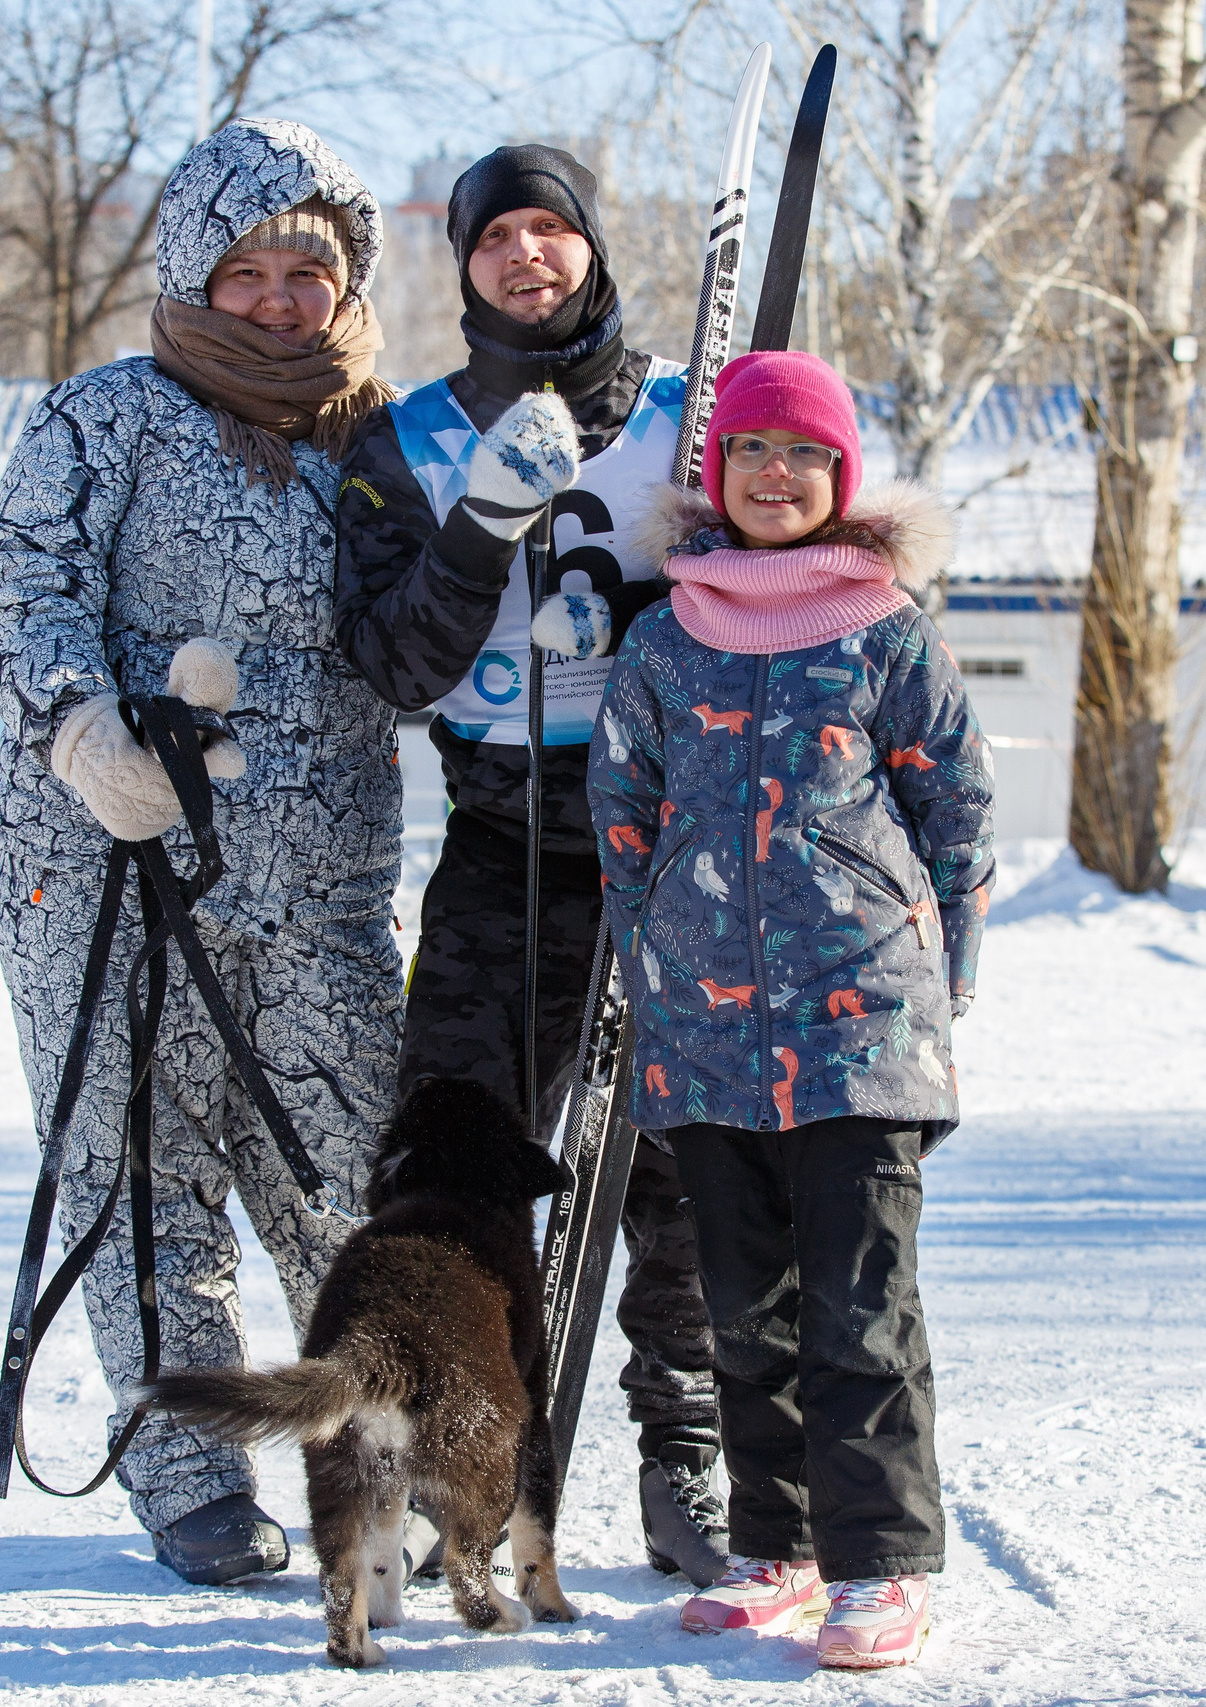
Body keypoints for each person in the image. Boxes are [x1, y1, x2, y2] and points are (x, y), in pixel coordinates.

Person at [0, 119, 404, 1586]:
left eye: (309, 270)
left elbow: (435, 626)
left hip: (323, 870)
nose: (281, 299)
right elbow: (23, 586)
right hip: (109, 856)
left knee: (343, 1160)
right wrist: (82, 730)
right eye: (247, 270)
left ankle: (381, 1446)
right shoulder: (102, 418)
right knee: (140, 1161)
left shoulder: (384, 439)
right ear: (192, 273)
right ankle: (192, 1472)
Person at [331, 144, 727, 1584]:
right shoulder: (408, 441)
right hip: (507, 841)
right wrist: (484, 525)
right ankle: (463, 1456)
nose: (525, 255)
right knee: (455, 1164)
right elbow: (392, 665)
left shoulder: (695, 413)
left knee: (690, 1159)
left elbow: (783, 569)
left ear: (591, 247)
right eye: (493, 235)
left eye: (549, 229)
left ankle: (689, 1451)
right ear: (463, 265)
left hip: (679, 842)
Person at [586, 350, 993, 1669]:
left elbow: (957, 810)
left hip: (863, 1029)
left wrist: (940, 982)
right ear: (717, 473)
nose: (777, 475)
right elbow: (624, 812)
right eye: (752, 451)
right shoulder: (667, 636)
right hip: (707, 1037)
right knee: (741, 1304)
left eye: (805, 454)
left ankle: (883, 1561)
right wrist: (656, 959)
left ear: (842, 475)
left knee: (858, 1305)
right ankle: (782, 1545)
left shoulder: (887, 629)